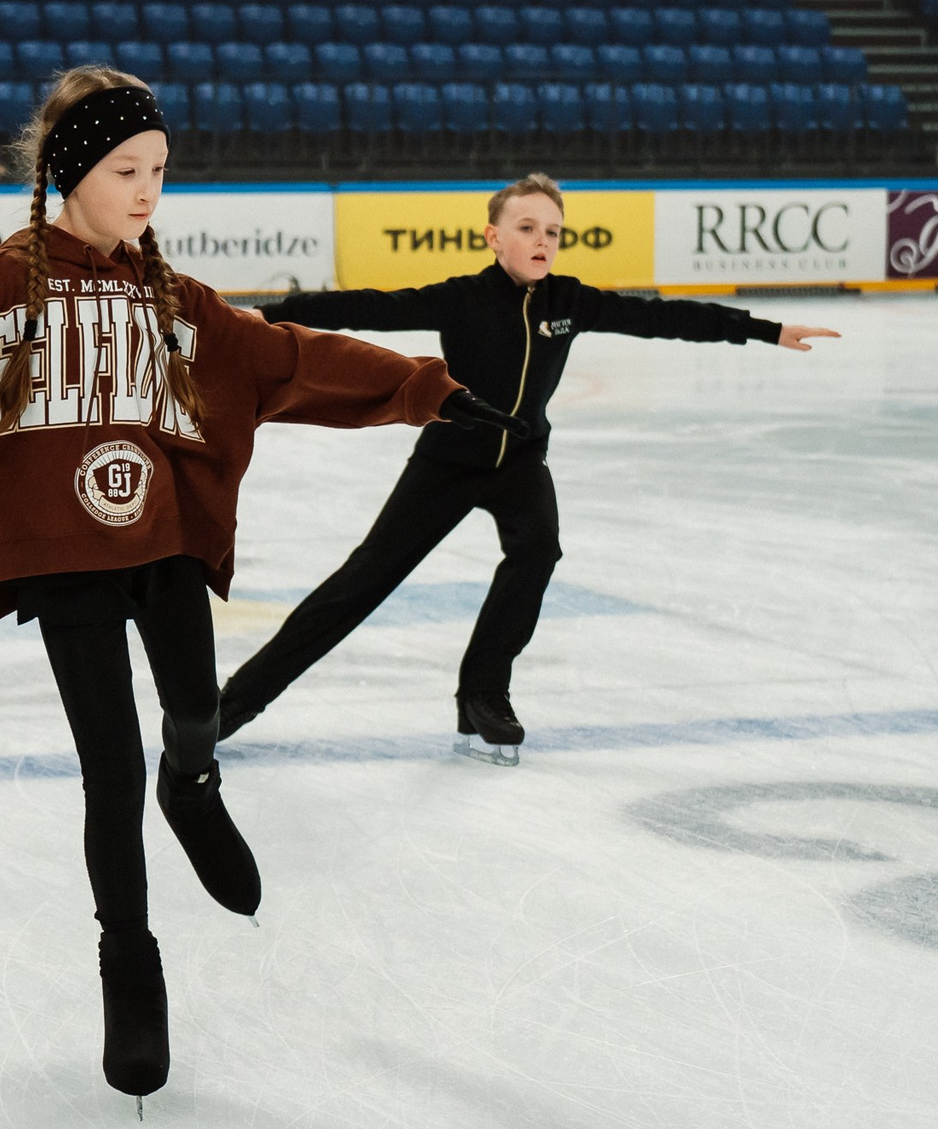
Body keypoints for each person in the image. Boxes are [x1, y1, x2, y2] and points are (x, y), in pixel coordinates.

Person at [0, 66, 525, 1105]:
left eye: (158, 170)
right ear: (68, 173)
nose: (147, 191)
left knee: (193, 713)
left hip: (162, 541)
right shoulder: (6, 288)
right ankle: (130, 964)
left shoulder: (171, 299)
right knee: (108, 767)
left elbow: (284, 358)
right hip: (62, 558)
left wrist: (424, 391)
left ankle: (191, 784)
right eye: (124, 170)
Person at [219, 173, 841, 764]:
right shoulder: (461, 299)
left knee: (538, 548)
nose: (541, 240)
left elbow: (664, 318)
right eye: (526, 227)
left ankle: (482, 691)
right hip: (448, 461)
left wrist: (765, 328)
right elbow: (369, 307)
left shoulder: (569, 301)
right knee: (360, 585)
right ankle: (230, 707)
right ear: (494, 236)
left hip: (520, 461)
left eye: (552, 231)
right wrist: (269, 314)